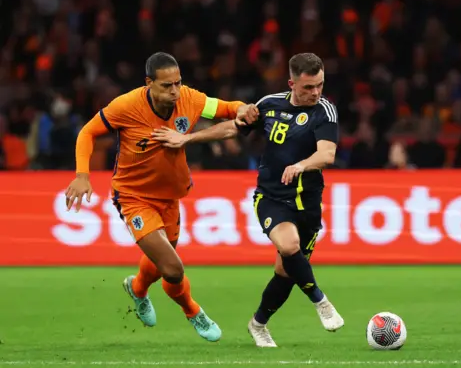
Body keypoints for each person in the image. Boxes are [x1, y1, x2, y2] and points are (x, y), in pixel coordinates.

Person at [152, 52, 344, 347]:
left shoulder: (325, 111)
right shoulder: (269, 105)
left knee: (286, 271)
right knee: (289, 246)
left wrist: (302, 165)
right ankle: (321, 302)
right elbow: (232, 127)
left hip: (308, 204)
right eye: (308, 87)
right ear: (291, 83)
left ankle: (258, 324)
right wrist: (188, 138)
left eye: (319, 85)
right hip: (271, 198)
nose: (315, 92)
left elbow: (327, 154)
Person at [64, 52, 259, 341]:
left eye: (178, 83)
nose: (174, 91)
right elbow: (87, 132)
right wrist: (82, 175)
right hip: (133, 196)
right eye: (167, 85)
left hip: (170, 197)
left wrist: (244, 108)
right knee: (173, 267)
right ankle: (193, 311)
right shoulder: (126, 106)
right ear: (149, 83)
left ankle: (138, 289)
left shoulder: (189, 99)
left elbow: (228, 108)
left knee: (160, 267)